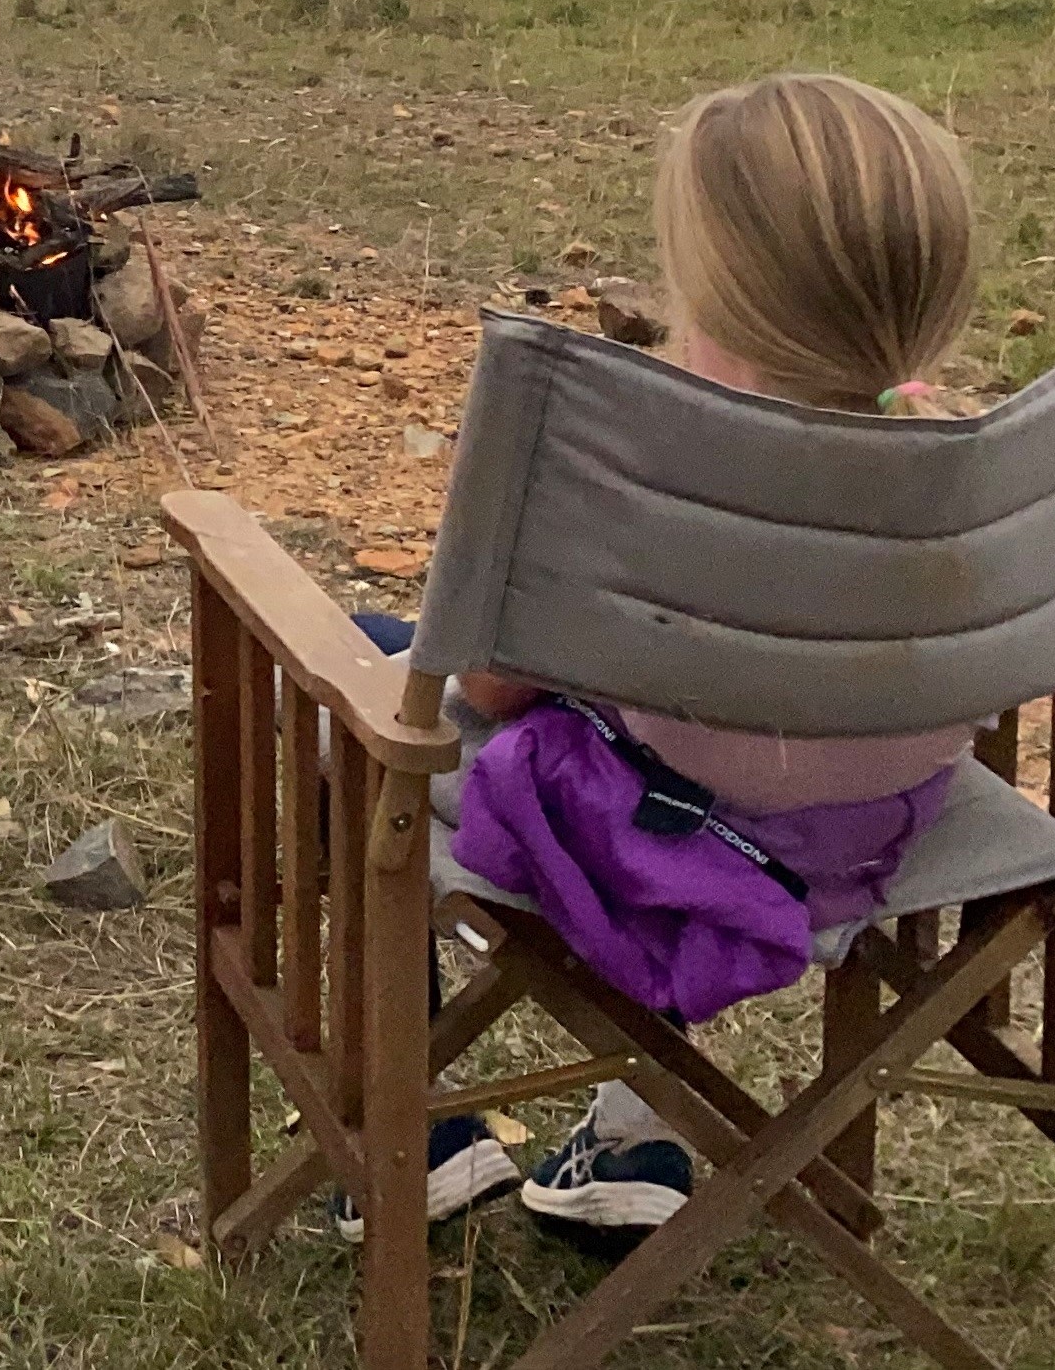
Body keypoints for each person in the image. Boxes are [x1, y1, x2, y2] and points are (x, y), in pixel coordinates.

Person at [387, 73, 987, 1244]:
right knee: (695, 738)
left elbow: (492, 691)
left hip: (670, 840)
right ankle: (634, 1122)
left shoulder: (646, 479)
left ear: (719, 296)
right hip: (869, 835)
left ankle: (413, 1133)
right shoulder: (980, 472)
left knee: (358, 692)